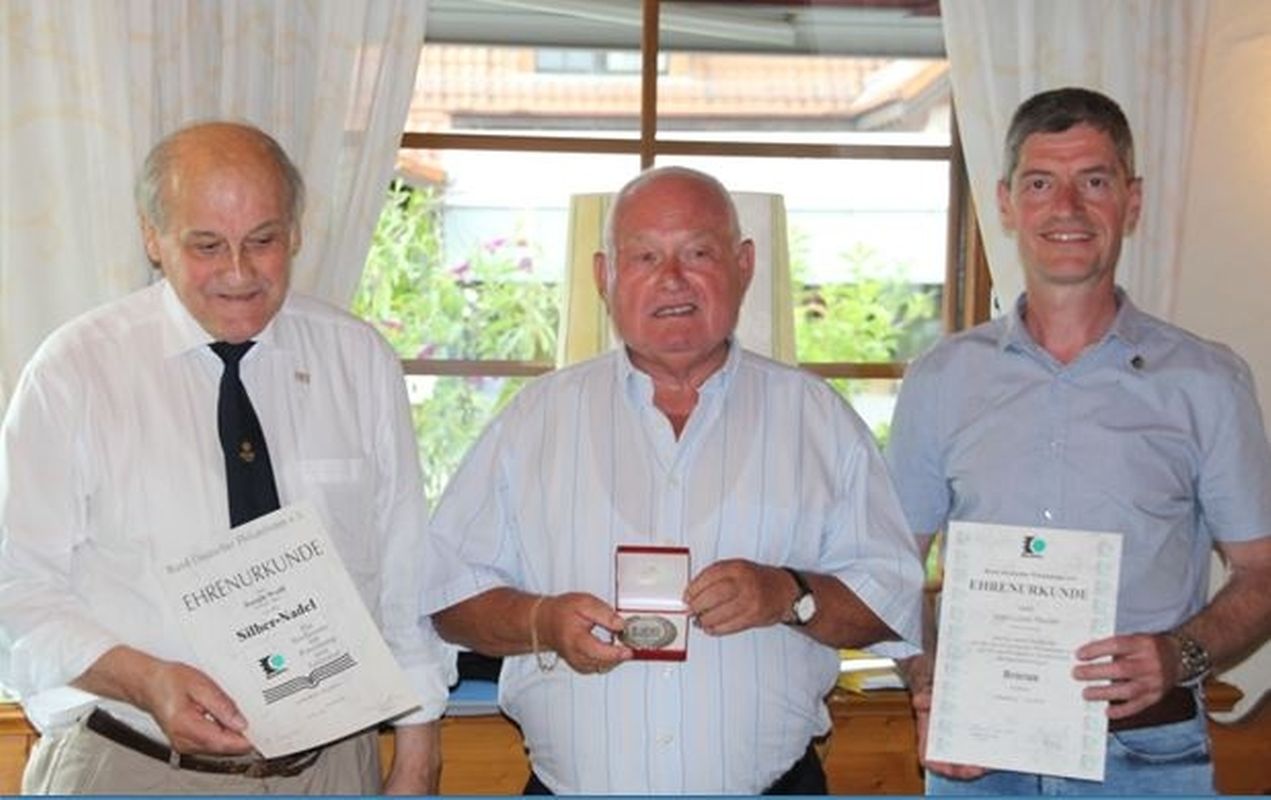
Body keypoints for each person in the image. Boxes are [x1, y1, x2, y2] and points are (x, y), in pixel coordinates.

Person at [423, 166, 924, 794]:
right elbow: (447, 596)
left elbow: (890, 598)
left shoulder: (818, 420)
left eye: (698, 253)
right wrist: (541, 621)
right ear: (604, 276)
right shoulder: (532, 422)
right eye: (645, 256)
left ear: (744, 265)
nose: (672, 278)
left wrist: (788, 594)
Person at [0, 122, 454, 794]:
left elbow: (404, 572)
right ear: (152, 238)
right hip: (135, 766)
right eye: (207, 246)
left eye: (262, 241)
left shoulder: (358, 361)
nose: (239, 273)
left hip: (332, 770)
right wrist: (147, 681)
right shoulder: (75, 372)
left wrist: (419, 752)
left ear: (295, 232)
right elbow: (17, 594)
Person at [886, 87, 1271, 795]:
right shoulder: (940, 379)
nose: (1066, 207)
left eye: (1093, 181)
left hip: (1148, 758)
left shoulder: (1207, 382)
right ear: (1006, 203)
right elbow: (889, 568)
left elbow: (1262, 572)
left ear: (1131, 201)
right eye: (1040, 183)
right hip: (977, 759)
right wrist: (927, 679)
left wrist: (1181, 654)